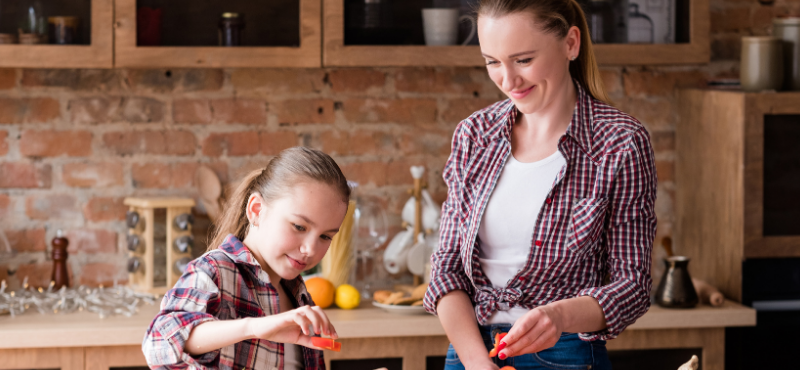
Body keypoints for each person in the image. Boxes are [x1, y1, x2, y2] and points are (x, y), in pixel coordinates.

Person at [422, 0, 658, 369]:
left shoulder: (619, 142)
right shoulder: (474, 135)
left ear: (571, 43)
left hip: (565, 352)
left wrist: (558, 317)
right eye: (492, 62)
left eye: (523, 60)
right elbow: (446, 267)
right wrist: (477, 363)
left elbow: (632, 285)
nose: (508, 80)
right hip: (469, 351)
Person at [143, 147, 351, 370]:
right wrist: (252, 327)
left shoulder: (299, 295)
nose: (310, 249)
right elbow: (159, 343)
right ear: (256, 210)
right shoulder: (214, 272)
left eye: (325, 236)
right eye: (299, 226)